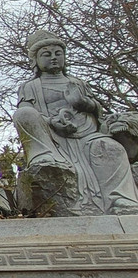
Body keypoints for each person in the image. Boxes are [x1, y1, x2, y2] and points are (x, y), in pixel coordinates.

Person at [12, 30, 138, 214]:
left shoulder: (77, 83)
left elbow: (97, 113)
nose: (54, 58)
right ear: (35, 61)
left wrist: (84, 103)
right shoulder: (30, 86)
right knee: (23, 114)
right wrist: (52, 122)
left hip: (87, 134)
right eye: (46, 55)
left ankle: (120, 199)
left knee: (112, 149)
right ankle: (43, 155)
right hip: (52, 138)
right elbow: (28, 113)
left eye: (58, 54)